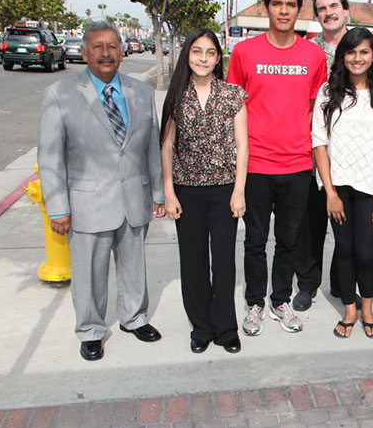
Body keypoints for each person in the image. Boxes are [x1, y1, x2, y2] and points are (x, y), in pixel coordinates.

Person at [38, 21, 165, 361]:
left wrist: (158, 192)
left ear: (122, 52)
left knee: (133, 265)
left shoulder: (141, 92)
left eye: (112, 46)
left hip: (134, 197)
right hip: (86, 202)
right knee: (89, 273)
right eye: (97, 47)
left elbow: (150, 147)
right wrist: (57, 207)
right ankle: (91, 329)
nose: (106, 53)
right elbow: (50, 157)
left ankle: (134, 317)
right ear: (84, 52)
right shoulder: (60, 94)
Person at [226, 0, 327, 335]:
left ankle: (279, 300)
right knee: (254, 241)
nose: (283, 10)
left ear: (299, 9)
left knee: (288, 241)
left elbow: (316, 109)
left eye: (290, 4)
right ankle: (254, 303)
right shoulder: (244, 53)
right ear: (266, 7)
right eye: (277, 3)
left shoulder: (313, 55)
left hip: (297, 166)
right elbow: (234, 107)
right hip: (255, 166)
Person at [293, 0, 373, 312]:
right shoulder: (309, 51)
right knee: (315, 229)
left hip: (364, 173)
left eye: (333, 5)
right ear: (316, 14)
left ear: (345, 9)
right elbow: (312, 119)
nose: (328, 11)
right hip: (321, 164)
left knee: (353, 246)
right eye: (321, 8)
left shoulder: (364, 49)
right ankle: (310, 286)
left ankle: (344, 288)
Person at [160, 28, 249, 354]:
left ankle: (226, 328)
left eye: (210, 52)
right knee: (193, 262)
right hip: (187, 191)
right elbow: (167, 145)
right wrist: (169, 192)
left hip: (225, 190)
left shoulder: (232, 94)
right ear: (187, 55)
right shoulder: (176, 96)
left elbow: (243, 145)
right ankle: (200, 327)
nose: (203, 58)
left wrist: (239, 191)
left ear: (218, 57)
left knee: (224, 262)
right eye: (197, 51)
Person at [312, 27, 373, 338]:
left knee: (366, 252)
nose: (357, 58)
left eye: (364, 52)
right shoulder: (328, 92)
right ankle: (350, 310)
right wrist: (329, 192)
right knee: (345, 250)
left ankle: (367, 308)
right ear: (342, 56)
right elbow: (319, 142)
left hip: (371, 188)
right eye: (351, 52)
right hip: (338, 187)